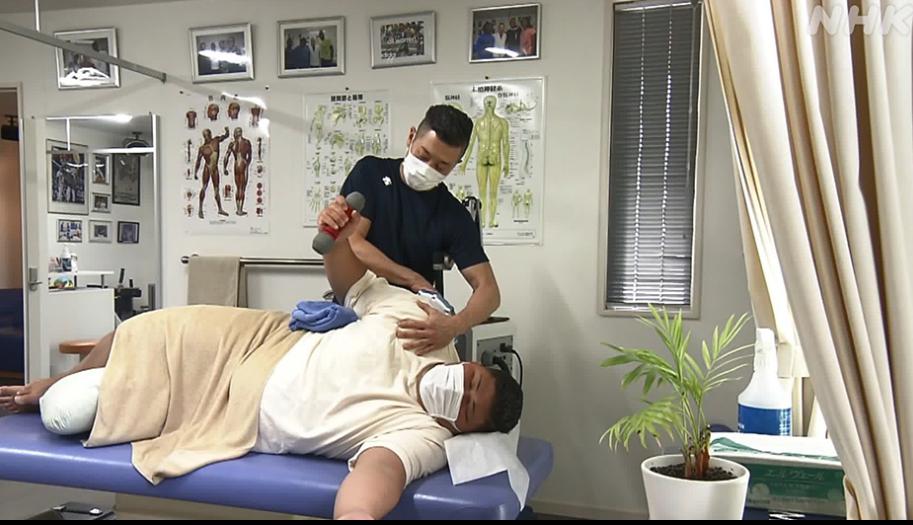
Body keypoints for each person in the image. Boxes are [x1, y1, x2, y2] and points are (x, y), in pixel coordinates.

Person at [0, 199, 523, 520]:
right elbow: (352, 283)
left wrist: (358, 515)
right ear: (470, 362)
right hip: (266, 338)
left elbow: (379, 473)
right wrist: (337, 242)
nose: (460, 389)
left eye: (467, 407)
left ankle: (69, 393)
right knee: (147, 326)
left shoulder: (424, 434)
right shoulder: (425, 327)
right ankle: (64, 377)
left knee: (91, 409)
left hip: (241, 406)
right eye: (473, 380)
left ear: (463, 431)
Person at [339, 105, 501, 356]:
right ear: (411, 136)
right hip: (357, 303)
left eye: (442, 166)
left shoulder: (452, 214)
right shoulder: (370, 173)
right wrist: (412, 279)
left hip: (408, 318)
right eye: (423, 155)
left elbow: (489, 292)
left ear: (456, 165)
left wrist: (454, 326)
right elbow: (354, 243)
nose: (428, 168)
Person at [194, 127, 231, 219]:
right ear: (204, 136)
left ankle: (220, 209)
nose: (207, 137)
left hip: (215, 169)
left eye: (208, 135)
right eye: (205, 135)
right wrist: (195, 172)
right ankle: (200, 209)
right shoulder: (202, 148)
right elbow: (198, 161)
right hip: (207, 168)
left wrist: (227, 131)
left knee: (216, 190)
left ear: (210, 134)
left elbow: (225, 136)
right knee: (204, 187)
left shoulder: (216, 140)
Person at [223, 127, 252, 216]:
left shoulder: (232, 144)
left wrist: (224, 168)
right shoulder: (246, 142)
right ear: (241, 133)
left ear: (236, 133)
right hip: (243, 163)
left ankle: (238, 209)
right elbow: (250, 156)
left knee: (238, 188)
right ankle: (240, 210)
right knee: (242, 188)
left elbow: (226, 157)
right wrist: (247, 164)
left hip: (236, 165)